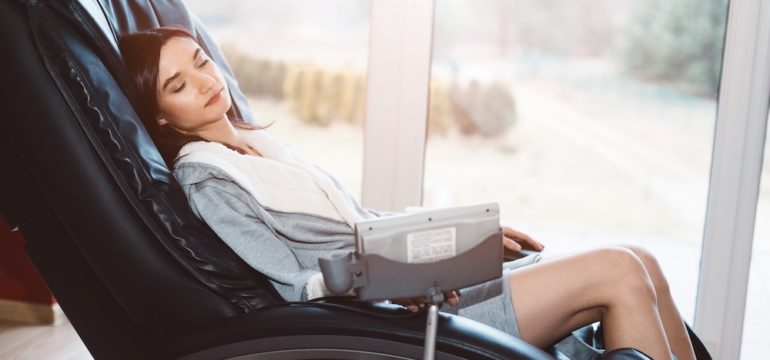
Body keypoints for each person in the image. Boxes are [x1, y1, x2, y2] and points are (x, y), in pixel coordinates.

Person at [119, 27, 696, 360]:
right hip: (396, 314)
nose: (204, 81)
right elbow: (294, 285)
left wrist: (470, 236)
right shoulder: (209, 178)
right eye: (178, 85)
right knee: (617, 270)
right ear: (162, 117)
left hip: (420, 288)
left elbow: (365, 222)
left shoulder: (258, 148)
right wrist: (417, 269)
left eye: (199, 61)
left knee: (641, 261)